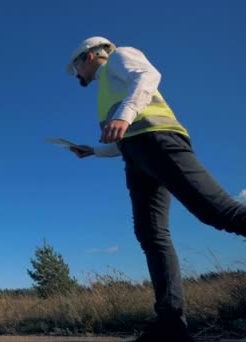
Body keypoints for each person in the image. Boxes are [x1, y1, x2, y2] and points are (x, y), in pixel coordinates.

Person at [64, 36, 246, 341]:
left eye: (76, 67)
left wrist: (124, 114)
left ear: (90, 55)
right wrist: (93, 151)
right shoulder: (105, 91)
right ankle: (171, 323)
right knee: (150, 234)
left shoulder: (120, 57)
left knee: (218, 211)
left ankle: (171, 322)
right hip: (137, 155)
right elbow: (124, 137)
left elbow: (148, 76)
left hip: (159, 141)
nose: (77, 74)